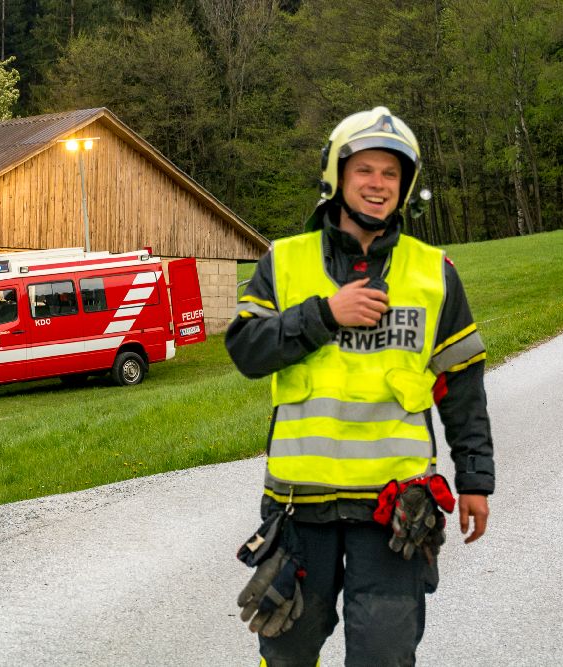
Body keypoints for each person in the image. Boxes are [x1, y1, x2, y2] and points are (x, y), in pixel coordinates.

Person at [226, 106, 494, 666]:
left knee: (384, 655)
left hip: (395, 509)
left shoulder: (433, 271)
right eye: (365, 170)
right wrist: (324, 314)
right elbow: (247, 351)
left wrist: (475, 478)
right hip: (300, 509)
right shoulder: (284, 261)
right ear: (337, 177)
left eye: (391, 173)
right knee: (288, 652)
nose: (378, 184)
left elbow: (462, 385)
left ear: (405, 186)